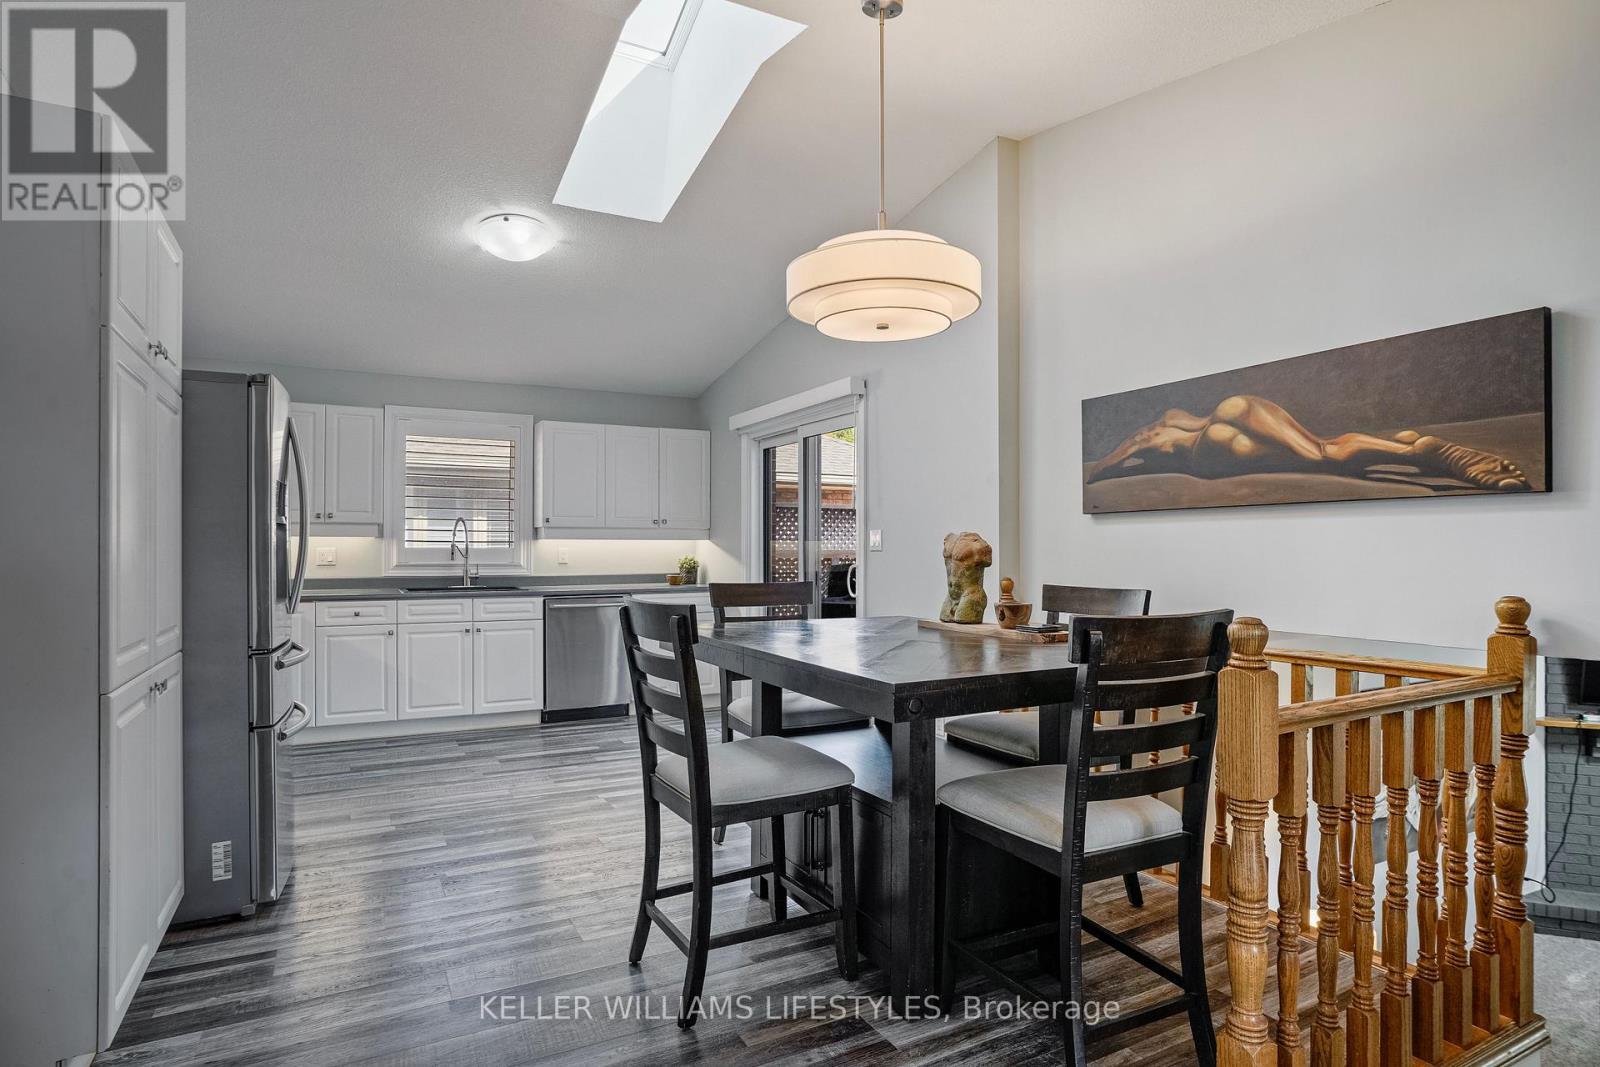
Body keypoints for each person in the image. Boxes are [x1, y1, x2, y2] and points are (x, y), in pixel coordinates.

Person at [1085, 394, 1529, 491]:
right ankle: (1409, 449)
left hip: (1212, 452)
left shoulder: (1151, 436)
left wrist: (1101, 469)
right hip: (1232, 413)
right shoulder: (1177, 415)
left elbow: (1107, 464)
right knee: (1323, 448)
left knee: (1323, 456)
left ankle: (1415, 452)